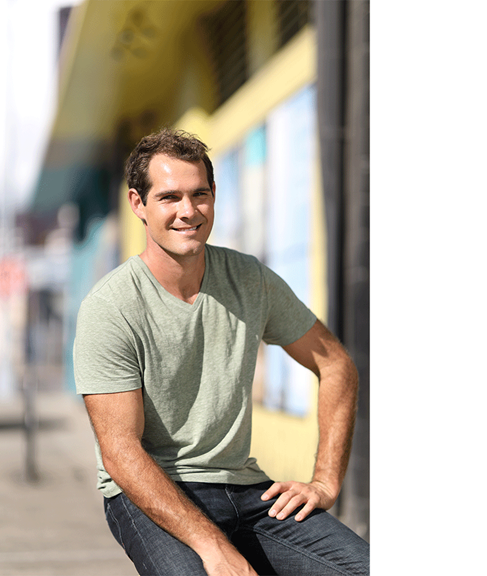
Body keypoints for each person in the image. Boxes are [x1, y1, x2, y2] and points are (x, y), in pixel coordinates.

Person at [73, 128, 369, 575]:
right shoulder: (111, 307)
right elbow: (120, 453)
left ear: (214, 196)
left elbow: (336, 365)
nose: (188, 211)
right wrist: (211, 545)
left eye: (200, 195)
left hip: (245, 489)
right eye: (169, 197)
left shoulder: (249, 279)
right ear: (138, 204)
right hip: (149, 491)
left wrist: (326, 482)